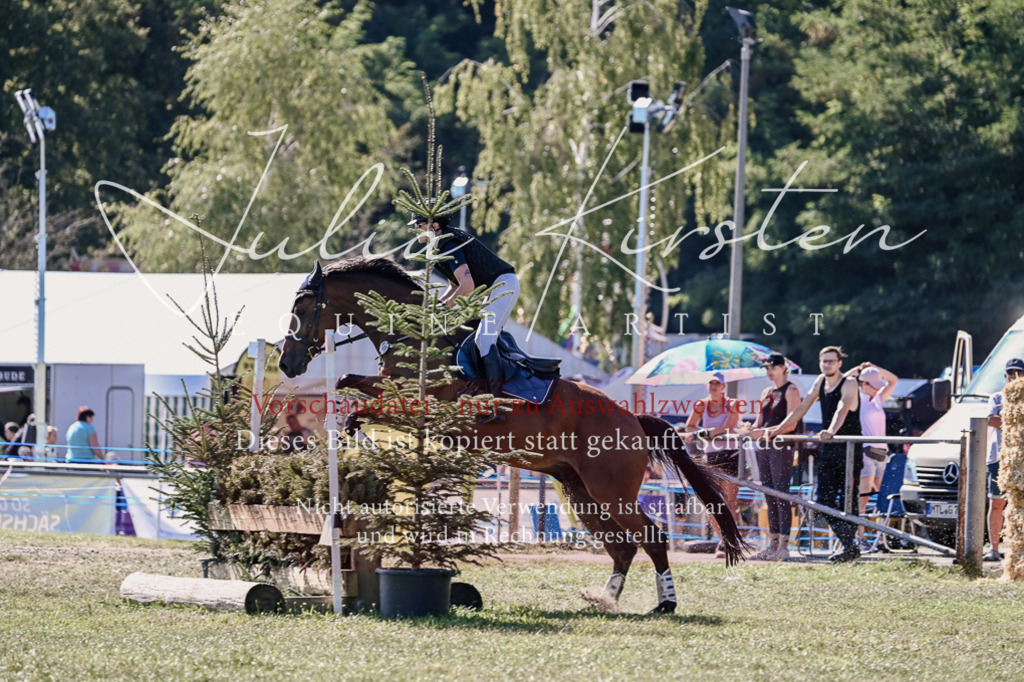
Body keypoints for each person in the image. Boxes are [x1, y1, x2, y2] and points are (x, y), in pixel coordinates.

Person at [768, 346, 863, 562]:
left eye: (831, 361)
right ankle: (850, 545)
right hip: (829, 447)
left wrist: (831, 430)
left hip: (849, 448)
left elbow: (843, 407)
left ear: (840, 363)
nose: (827, 364)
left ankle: (851, 546)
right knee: (824, 499)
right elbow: (801, 408)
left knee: (850, 500)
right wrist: (778, 430)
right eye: (824, 361)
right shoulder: (820, 381)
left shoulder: (849, 383)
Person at [411, 204, 519, 393]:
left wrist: (444, 308)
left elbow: (467, 287)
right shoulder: (439, 245)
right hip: (492, 290)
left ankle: (495, 399)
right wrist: (436, 307)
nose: (416, 229)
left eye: (419, 224)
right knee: (472, 337)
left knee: (484, 340)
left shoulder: (448, 243)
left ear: (435, 225)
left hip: (503, 286)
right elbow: (454, 285)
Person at [742, 353, 803, 561]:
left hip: (782, 446)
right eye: (767, 368)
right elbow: (760, 421)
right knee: (768, 493)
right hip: (765, 446)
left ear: (783, 368)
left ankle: (783, 545)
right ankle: (772, 543)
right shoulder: (766, 391)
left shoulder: (791, 390)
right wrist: (751, 429)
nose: (769, 371)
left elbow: (792, 423)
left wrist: (767, 432)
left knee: (781, 492)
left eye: (773, 367)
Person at [683, 371, 740, 557]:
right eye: (711, 383)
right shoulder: (701, 405)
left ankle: (730, 542)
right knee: (711, 503)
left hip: (730, 454)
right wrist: (702, 432)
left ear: (723, 387)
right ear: (707, 386)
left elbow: (727, 427)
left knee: (729, 501)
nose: (714, 386)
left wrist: (702, 433)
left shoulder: (732, 403)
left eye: (717, 383)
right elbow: (689, 427)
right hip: (711, 456)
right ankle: (724, 538)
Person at [846, 362, 899, 551]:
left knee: (882, 497)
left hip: (881, 453)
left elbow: (893, 380)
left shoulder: (876, 398)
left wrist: (875, 367)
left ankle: (880, 537)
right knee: (863, 498)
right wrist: (857, 371)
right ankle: (861, 538)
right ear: (864, 384)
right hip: (866, 453)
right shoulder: (856, 399)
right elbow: (842, 381)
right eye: (874, 385)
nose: (878, 389)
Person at [985, 358, 1023, 561]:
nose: (1014, 376)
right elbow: (991, 419)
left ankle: (1017, 550)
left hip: (1021, 457)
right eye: (1010, 373)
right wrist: (1016, 418)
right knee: (997, 502)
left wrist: (1008, 419)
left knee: (1020, 503)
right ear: (1005, 376)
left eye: (1019, 372)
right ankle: (993, 548)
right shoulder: (997, 397)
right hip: (999, 456)